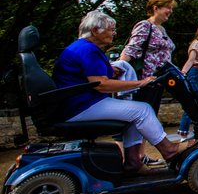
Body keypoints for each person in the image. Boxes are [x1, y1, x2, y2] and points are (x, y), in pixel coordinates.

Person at [53, 11, 187, 174]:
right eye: (111, 29)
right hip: (81, 105)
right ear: (95, 31)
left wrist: (112, 70)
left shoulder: (82, 48)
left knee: (133, 115)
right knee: (142, 110)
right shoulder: (88, 50)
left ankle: (133, 162)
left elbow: (92, 75)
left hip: (76, 103)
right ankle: (169, 150)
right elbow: (101, 85)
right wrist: (140, 82)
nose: (114, 33)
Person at [118, 0, 177, 163]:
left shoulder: (162, 29)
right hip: (146, 80)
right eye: (167, 7)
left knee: (149, 117)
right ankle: (131, 157)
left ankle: (141, 156)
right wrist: (121, 68)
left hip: (159, 80)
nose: (170, 11)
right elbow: (131, 49)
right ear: (155, 8)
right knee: (140, 119)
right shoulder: (145, 26)